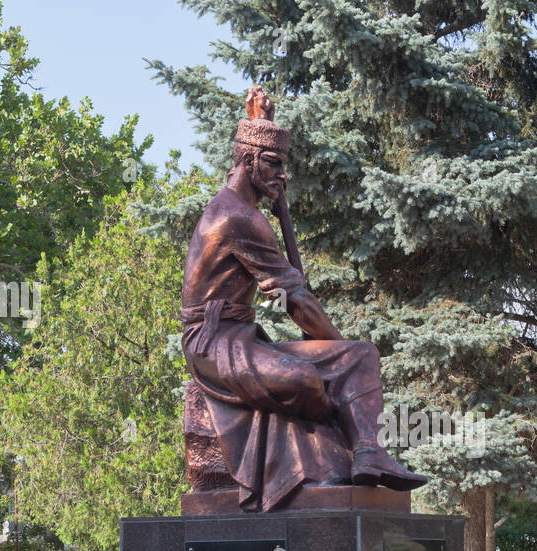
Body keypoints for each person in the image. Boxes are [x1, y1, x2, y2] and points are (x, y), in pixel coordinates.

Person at [180, 86, 426, 511]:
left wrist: (345, 352)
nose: (280, 176)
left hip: (242, 338)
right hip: (213, 345)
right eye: (273, 165)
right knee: (307, 379)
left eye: (284, 167)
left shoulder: (249, 212)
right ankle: (313, 463)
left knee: (363, 355)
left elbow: (295, 292)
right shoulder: (238, 218)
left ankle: (369, 453)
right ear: (247, 160)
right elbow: (298, 303)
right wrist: (335, 347)